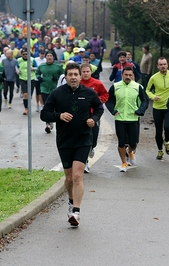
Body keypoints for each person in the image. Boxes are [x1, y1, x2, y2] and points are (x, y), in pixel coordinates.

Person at [40, 62, 104, 226]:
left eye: (76, 74)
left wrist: (94, 119)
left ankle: (76, 212)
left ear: (80, 76)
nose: (74, 77)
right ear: (66, 76)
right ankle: (70, 200)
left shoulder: (89, 93)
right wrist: (59, 116)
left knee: (77, 176)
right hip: (64, 140)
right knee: (69, 179)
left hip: (83, 139)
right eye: (71, 75)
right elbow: (44, 114)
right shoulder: (57, 93)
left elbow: (99, 109)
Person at [105, 66, 149, 172]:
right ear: (122, 75)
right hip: (120, 118)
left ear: (133, 76)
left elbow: (145, 101)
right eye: (126, 75)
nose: (128, 77)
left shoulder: (138, 87)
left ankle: (130, 152)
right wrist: (113, 111)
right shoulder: (115, 86)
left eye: (130, 75)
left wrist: (140, 111)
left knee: (133, 143)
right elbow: (108, 100)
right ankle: (124, 162)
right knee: (121, 142)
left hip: (133, 118)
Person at [146, 57, 169, 160]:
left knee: (168, 128)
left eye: (164, 64)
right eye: (160, 64)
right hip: (157, 107)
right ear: (157, 66)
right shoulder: (153, 78)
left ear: (167, 64)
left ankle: (166, 141)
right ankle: (160, 151)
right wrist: (153, 97)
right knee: (158, 131)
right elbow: (147, 90)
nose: (163, 66)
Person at [80, 63, 109, 173]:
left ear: (91, 72)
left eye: (87, 71)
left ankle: (92, 147)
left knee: (93, 138)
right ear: (80, 73)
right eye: (83, 72)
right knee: (83, 140)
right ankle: (85, 162)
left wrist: (99, 101)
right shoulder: (78, 83)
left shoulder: (97, 83)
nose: (86, 73)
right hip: (81, 115)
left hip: (94, 115)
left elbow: (105, 95)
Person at [35, 51, 64, 133]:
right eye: (48, 56)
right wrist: (39, 78)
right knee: (46, 106)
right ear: (45, 57)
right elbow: (37, 73)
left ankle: (52, 120)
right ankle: (48, 124)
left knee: (54, 107)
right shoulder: (41, 66)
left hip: (55, 89)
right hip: (44, 89)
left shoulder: (58, 66)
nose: (49, 57)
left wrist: (57, 78)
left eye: (51, 56)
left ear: (53, 57)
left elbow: (63, 76)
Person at [16, 49, 37, 115]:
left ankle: (28, 106)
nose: (25, 55)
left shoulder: (32, 60)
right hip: (23, 78)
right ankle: (26, 109)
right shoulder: (19, 60)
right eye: (24, 54)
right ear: (21, 55)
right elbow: (16, 67)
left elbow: (37, 67)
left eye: (26, 54)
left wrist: (33, 68)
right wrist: (17, 71)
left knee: (29, 96)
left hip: (31, 79)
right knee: (25, 94)